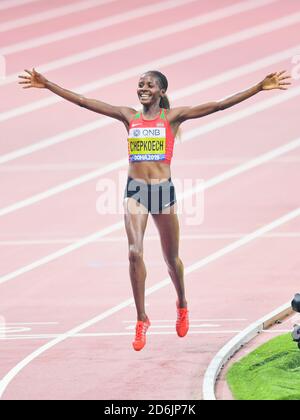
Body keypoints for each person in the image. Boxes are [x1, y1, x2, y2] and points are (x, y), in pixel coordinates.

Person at [18, 68, 291, 351]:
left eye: (149, 85)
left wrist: (259, 87)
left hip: (162, 192)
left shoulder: (171, 118)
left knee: (171, 259)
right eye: (140, 84)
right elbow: (84, 101)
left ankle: (182, 302)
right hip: (135, 191)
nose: (143, 88)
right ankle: (141, 318)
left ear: (161, 91)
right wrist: (48, 84)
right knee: (134, 252)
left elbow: (219, 105)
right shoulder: (129, 116)